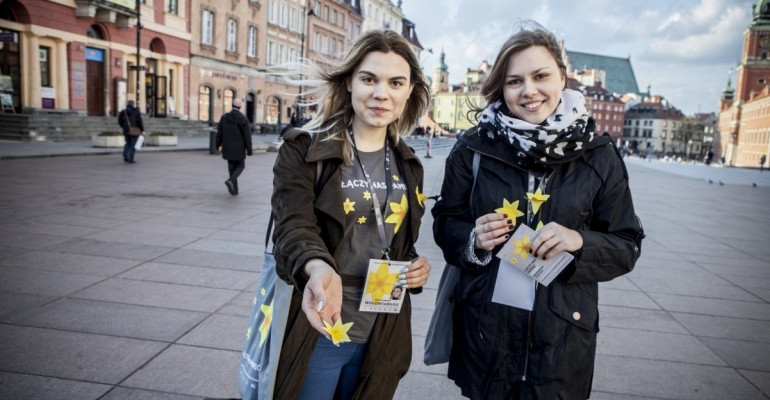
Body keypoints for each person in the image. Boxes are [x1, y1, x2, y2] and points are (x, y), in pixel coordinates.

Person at [431, 23, 645, 400]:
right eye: (515, 81)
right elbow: (446, 222)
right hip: (487, 332)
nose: (529, 91)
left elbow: (626, 245)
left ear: (562, 77)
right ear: (502, 87)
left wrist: (579, 241)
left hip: (562, 340)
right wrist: (473, 240)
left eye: (541, 76)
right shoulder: (473, 149)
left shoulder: (598, 154)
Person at [271, 29, 432, 399]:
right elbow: (293, 225)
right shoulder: (304, 150)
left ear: (409, 91)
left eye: (395, 82)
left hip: (382, 328)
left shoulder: (409, 164)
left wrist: (414, 269)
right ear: (348, 82)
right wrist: (316, 265)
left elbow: (396, 243)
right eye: (368, 79)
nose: (381, 93)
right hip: (320, 321)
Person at [215, 97, 252, 195]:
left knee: (231, 168)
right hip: (239, 148)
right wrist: (249, 150)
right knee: (240, 166)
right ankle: (231, 181)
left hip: (227, 148)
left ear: (232, 105)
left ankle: (234, 190)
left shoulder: (224, 117)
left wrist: (217, 145)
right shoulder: (243, 118)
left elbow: (219, 133)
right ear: (240, 107)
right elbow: (247, 136)